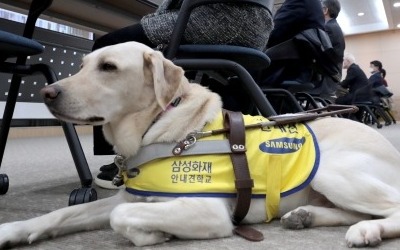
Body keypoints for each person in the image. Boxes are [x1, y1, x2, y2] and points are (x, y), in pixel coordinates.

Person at [93, 0, 274, 189]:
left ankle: (122, 155)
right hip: (256, 29)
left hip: (215, 17)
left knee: (107, 46)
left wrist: (157, 17)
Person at [258, 0, 325, 87]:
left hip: (284, 69)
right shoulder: (316, 4)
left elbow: (276, 31)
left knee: (246, 62)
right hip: (303, 69)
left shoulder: (299, 1)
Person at [307, 0, 345, 100]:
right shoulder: (335, 27)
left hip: (326, 79)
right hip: (331, 77)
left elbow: (319, 53)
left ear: (325, 10)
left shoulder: (328, 28)